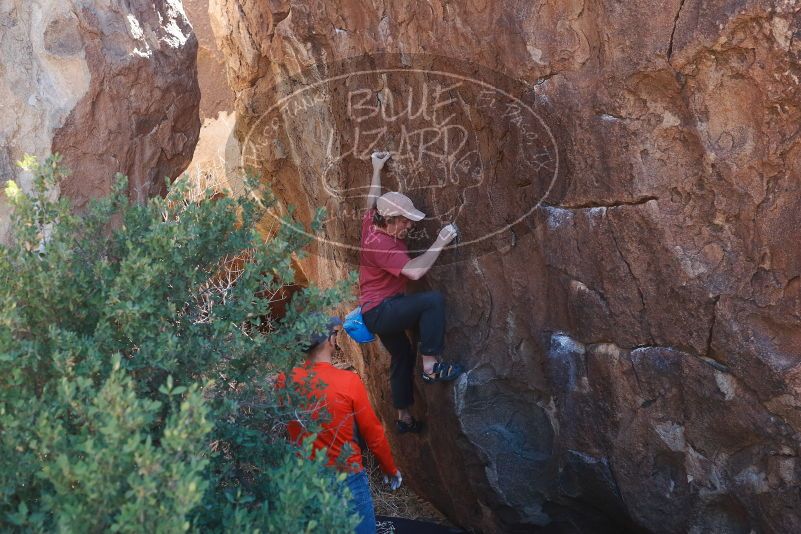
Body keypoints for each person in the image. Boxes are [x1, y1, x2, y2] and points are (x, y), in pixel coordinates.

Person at [359, 151, 463, 434]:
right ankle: (431, 367)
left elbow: (371, 200)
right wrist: (441, 241)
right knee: (432, 301)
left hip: (374, 310)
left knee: (402, 354)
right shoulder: (383, 246)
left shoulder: (372, 222)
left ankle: (403, 416)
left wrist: (376, 169)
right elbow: (415, 272)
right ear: (389, 219)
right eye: (404, 220)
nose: (410, 225)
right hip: (381, 311)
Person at [281, 317, 402, 534]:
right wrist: (389, 468)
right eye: (336, 335)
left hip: (304, 478)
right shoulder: (349, 381)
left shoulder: (284, 380)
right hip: (347, 477)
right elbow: (373, 433)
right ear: (329, 340)